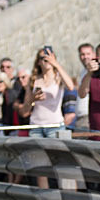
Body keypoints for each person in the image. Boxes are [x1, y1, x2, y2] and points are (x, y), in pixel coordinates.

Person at [20, 46, 75, 189]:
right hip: (36, 126)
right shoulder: (34, 80)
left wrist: (55, 64)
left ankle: (71, 198)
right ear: (38, 62)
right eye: (43, 58)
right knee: (41, 170)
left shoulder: (58, 77)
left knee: (63, 167)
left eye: (49, 57)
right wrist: (32, 98)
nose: (46, 60)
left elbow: (71, 86)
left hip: (54, 126)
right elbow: (24, 111)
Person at [73, 42, 94, 132]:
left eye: (88, 54)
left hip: (88, 118)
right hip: (80, 117)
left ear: (94, 54)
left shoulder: (95, 71)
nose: (85, 57)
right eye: (82, 54)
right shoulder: (83, 71)